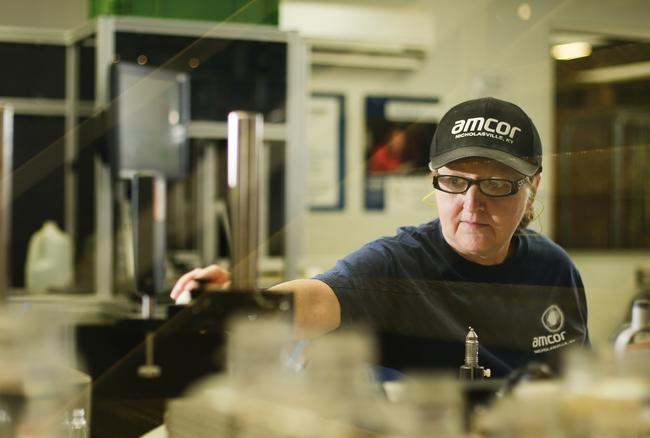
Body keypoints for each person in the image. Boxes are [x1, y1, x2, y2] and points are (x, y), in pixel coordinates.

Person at [171, 97, 590, 378]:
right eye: (455, 182)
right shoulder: (398, 266)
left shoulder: (553, 269)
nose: (471, 203)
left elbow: (578, 385)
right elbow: (315, 300)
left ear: (532, 185)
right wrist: (237, 304)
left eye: (496, 184)